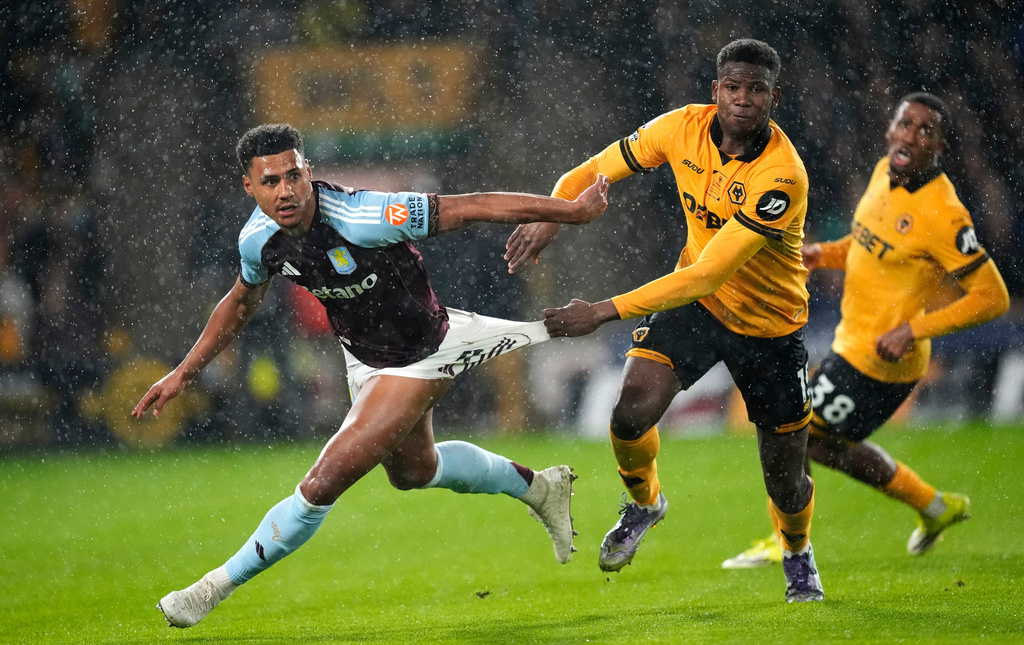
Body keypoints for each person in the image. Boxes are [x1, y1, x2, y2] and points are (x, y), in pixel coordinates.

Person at [132, 123, 610, 628]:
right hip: (363, 359)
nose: (286, 191)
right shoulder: (258, 240)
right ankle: (539, 488)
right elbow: (241, 301)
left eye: (293, 176)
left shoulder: (363, 216)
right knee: (414, 473)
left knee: (322, 482)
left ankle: (209, 589)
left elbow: (468, 206)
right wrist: (185, 372)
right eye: (270, 182)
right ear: (248, 188)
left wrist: (572, 213)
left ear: (309, 172)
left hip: (425, 353)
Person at [505, 39, 822, 602]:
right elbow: (594, 169)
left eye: (756, 89)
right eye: (733, 86)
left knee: (786, 476)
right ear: (716, 90)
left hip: (771, 328)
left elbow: (710, 272)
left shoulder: (783, 177)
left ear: (776, 96)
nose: (743, 99)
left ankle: (798, 554)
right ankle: (646, 505)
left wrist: (603, 311)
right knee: (629, 414)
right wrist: (556, 212)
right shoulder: (680, 128)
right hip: (698, 310)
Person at [721, 92, 1010, 569]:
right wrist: (824, 254)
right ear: (889, 129)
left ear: (939, 147)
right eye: (905, 123)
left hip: (881, 361)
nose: (911, 135)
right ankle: (936, 507)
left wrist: (913, 330)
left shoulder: (944, 213)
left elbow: (992, 297)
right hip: (850, 344)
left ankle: (785, 543)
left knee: (788, 432)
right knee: (826, 446)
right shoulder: (881, 173)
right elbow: (866, 245)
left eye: (926, 131)